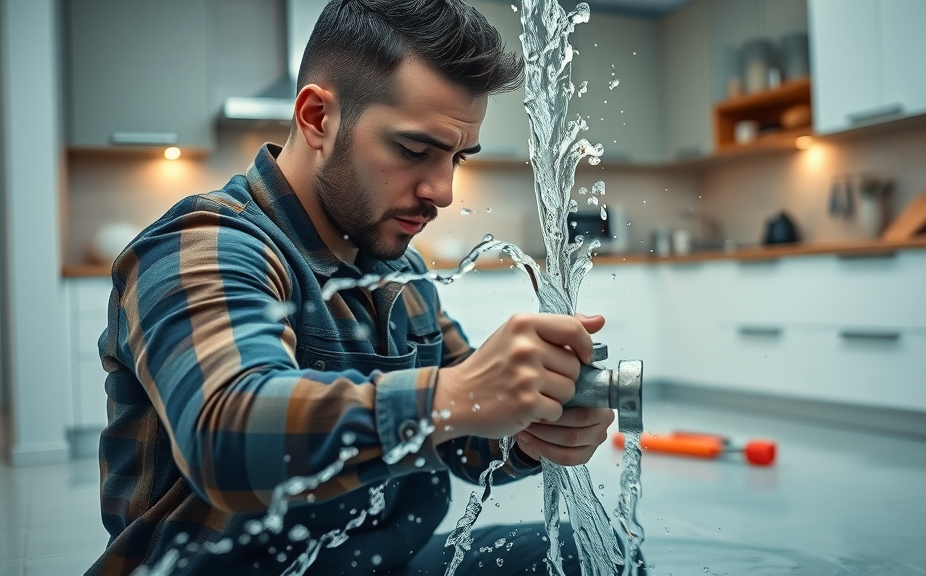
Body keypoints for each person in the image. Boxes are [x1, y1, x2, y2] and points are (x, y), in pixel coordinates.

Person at [86, 1, 621, 574]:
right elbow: (226, 431)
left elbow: (464, 436)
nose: (442, 190)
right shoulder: (203, 246)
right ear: (317, 117)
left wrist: (532, 427)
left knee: (605, 554)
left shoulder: (401, 270)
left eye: (457, 158)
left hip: (380, 564)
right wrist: (455, 396)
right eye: (415, 151)